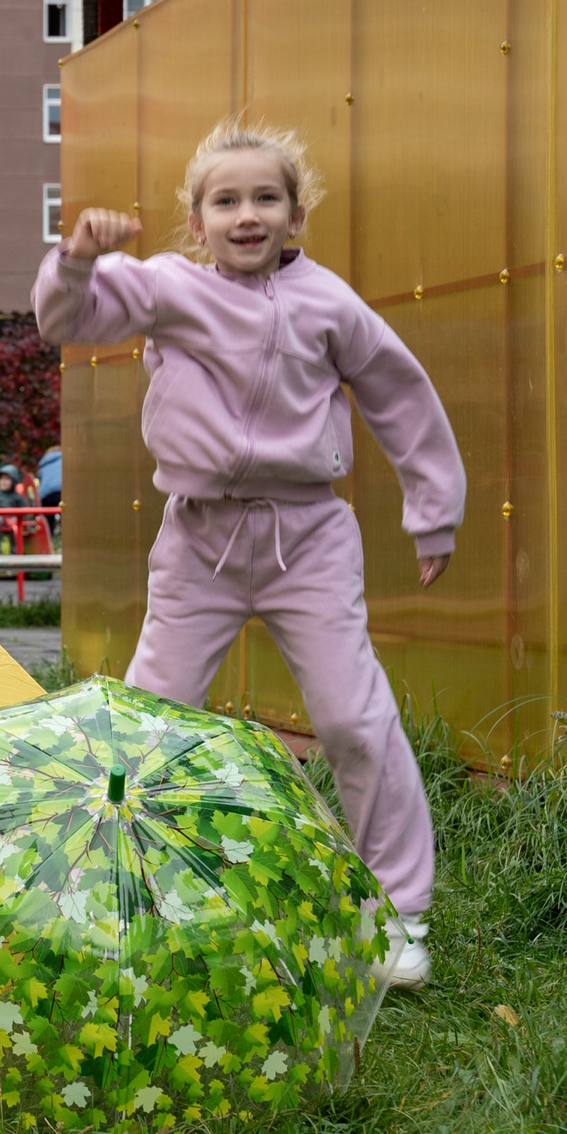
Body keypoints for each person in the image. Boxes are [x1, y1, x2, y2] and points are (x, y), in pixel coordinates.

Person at [36, 117, 463, 990]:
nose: (247, 214)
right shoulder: (167, 291)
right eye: (225, 200)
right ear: (197, 223)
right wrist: (76, 256)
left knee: (351, 718)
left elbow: (398, 393)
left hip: (308, 536)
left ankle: (397, 912)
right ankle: (121, 897)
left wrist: (435, 510)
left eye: (266, 198)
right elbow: (67, 318)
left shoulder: (331, 305)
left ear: (294, 215)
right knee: (154, 721)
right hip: (199, 539)